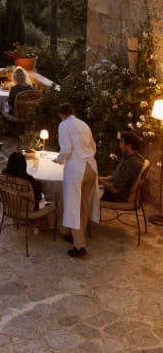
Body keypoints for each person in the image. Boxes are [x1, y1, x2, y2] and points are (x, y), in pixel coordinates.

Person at [54, 102, 100, 258]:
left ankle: (79, 246)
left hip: (76, 169)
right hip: (91, 167)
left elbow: (66, 149)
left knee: (73, 206)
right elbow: (93, 148)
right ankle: (75, 235)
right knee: (83, 206)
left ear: (61, 114)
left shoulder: (63, 125)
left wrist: (58, 160)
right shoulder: (83, 124)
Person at [99, 131, 145, 202]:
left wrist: (99, 181)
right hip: (114, 192)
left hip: (117, 196)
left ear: (129, 145)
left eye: (121, 142)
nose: (119, 145)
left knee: (85, 191)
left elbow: (114, 189)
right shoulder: (129, 157)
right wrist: (98, 178)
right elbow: (115, 177)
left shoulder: (132, 162)